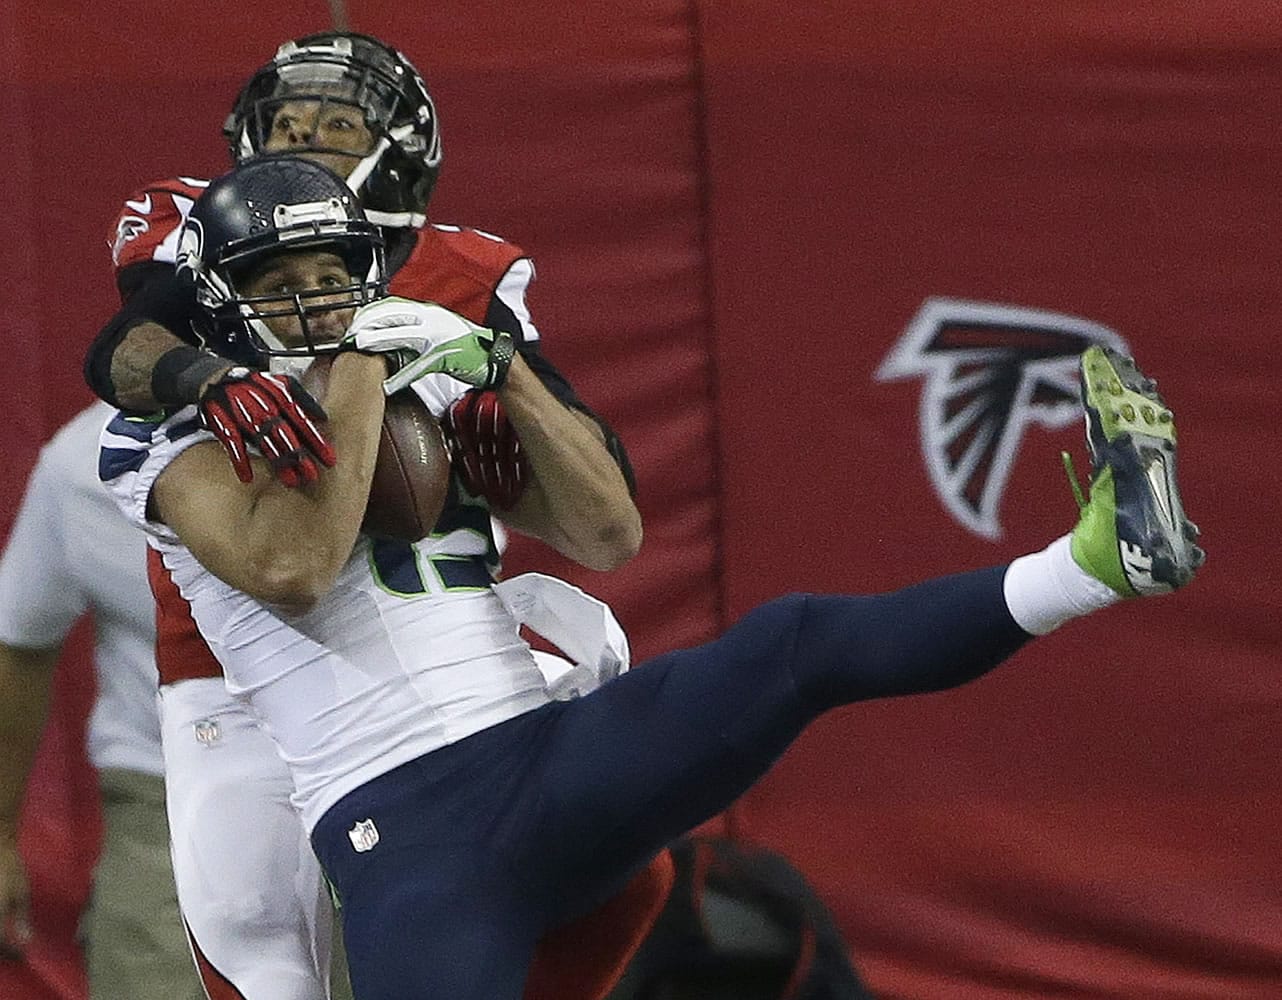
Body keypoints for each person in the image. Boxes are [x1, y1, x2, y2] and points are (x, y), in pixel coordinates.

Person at [101, 154, 1204, 1000]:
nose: (315, 303)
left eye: (333, 278)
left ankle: (1096, 560)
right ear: (212, 297)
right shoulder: (163, 436)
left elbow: (607, 532)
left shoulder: (412, 368)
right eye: (279, 282)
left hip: (549, 755)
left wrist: (504, 371)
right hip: (408, 833)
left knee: (796, 643)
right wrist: (351, 370)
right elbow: (291, 565)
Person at [86, 31, 673, 1000]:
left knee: (620, 860)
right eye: (287, 125)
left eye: (338, 124)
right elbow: (124, 343)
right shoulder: (189, 231)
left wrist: (502, 397)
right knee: (264, 963)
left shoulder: (464, 277)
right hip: (239, 667)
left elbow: (604, 506)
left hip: (443, 656)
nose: (307, 143)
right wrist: (205, 373)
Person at [0, 402, 206, 1000]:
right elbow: (20, 641)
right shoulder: (78, 468)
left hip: (344, 778)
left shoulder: (347, 421)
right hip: (163, 793)